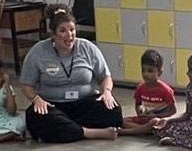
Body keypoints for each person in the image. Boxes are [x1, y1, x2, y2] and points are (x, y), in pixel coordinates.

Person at [20, 8, 123, 143]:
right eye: (63, 31)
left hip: (84, 103)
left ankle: (68, 129)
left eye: (72, 30)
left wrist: (107, 92)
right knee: (34, 116)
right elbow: (27, 85)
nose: (69, 35)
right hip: (53, 106)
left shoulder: (88, 48)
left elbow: (105, 77)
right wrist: (36, 99)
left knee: (113, 110)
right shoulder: (38, 52)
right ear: (53, 34)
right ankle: (89, 132)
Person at [121, 49, 177, 136]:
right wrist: (140, 111)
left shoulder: (166, 90)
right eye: (143, 70)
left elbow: (173, 111)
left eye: (150, 71)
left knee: (155, 122)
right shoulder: (140, 88)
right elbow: (138, 104)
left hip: (157, 120)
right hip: (144, 119)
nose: (145, 74)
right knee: (122, 121)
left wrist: (157, 116)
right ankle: (146, 130)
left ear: (159, 73)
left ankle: (127, 132)